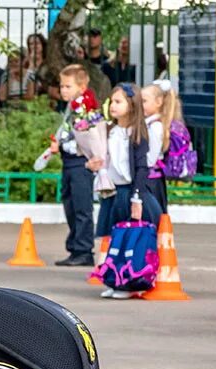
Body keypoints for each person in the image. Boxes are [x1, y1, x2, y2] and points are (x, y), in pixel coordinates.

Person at [91, 82, 164, 298]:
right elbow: (105, 159)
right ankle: (115, 280)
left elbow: (142, 167)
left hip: (130, 192)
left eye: (118, 101)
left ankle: (130, 283)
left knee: (131, 239)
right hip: (113, 192)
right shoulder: (108, 130)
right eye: (111, 101)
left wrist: (137, 197)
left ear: (131, 105)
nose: (113, 106)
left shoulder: (137, 133)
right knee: (116, 240)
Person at [51, 65, 97, 267]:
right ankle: (75, 246)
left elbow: (86, 134)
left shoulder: (85, 106)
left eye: (68, 86)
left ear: (82, 86)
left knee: (81, 206)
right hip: (69, 160)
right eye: (62, 86)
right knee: (70, 204)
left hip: (80, 161)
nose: (63, 90)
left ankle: (83, 249)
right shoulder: (72, 106)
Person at [141, 80, 172, 213]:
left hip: (151, 180)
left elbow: (150, 158)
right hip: (151, 179)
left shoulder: (155, 126)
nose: (140, 105)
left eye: (144, 101)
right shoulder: (149, 124)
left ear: (159, 102)